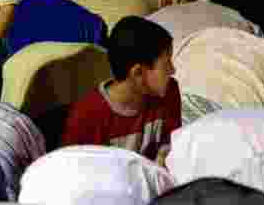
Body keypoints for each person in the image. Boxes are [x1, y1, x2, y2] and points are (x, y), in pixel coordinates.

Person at [60, 16, 180, 164]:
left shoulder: (170, 92)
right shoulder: (86, 116)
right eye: (166, 64)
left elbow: (172, 149)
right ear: (138, 73)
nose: (173, 70)